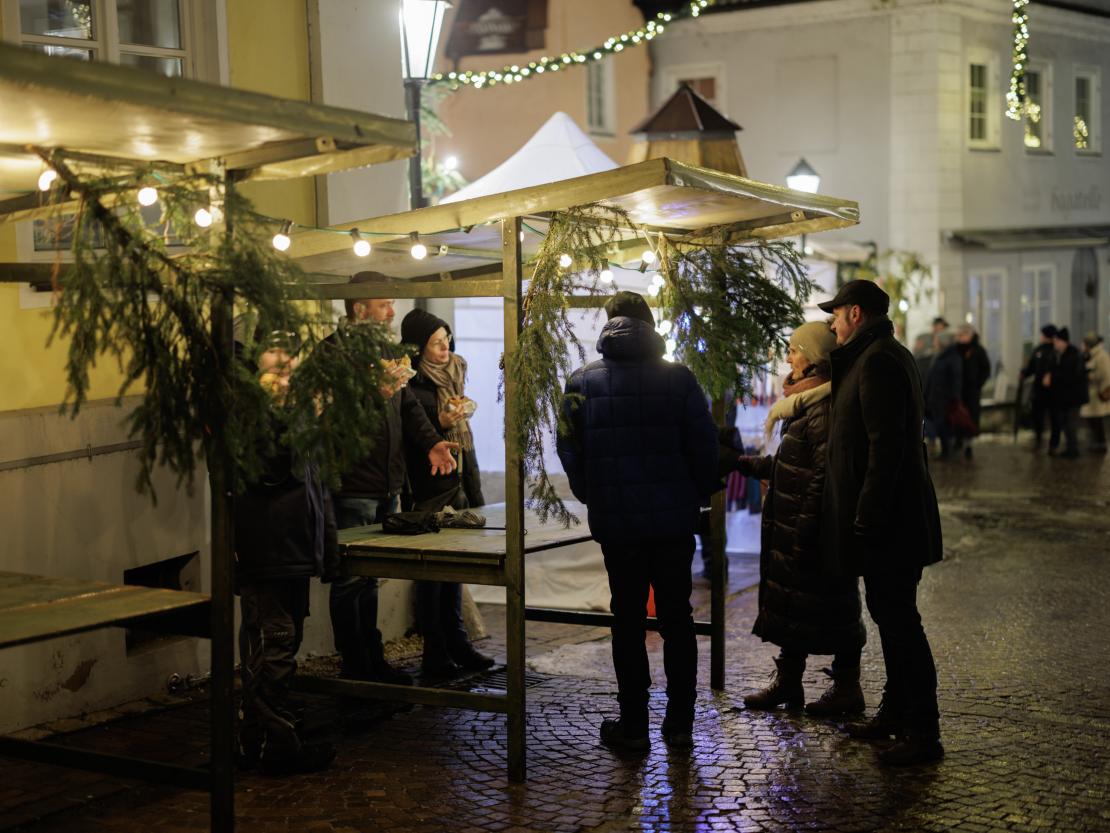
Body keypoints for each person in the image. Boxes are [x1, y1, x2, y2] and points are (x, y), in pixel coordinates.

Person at [557, 291, 718, 752]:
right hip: (673, 523)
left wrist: (596, 494)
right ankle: (680, 725)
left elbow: (568, 448)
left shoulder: (581, 381)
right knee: (677, 619)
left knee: (627, 620)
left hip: (618, 524)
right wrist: (694, 493)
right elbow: (704, 446)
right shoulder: (680, 379)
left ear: (609, 324)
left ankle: (633, 728)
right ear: (650, 324)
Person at [819, 279, 944, 767]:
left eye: (836, 314)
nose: (831, 323)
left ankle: (924, 730)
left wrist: (866, 518)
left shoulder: (879, 361)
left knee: (900, 624)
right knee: (892, 621)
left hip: (890, 524)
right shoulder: (878, 355)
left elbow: (886, 450)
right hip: (889, 521)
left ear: (855, 313)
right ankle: (895, 713)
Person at [328, 273, 459, 685]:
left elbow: (407, 408)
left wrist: (432, 443)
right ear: (358, 308)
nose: (391, 312)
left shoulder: (388, 352)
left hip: (388, 482)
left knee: (371, 580)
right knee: (351, 580)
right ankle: (356, 667)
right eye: (384, 304)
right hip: (352, 482)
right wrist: (374, 393)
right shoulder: (333, 353)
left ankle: (373, 660)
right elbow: (329, 417)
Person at [730, 322, 867, 717]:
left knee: (833, 606)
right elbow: (798, 465)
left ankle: (846, 688)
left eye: (794, 350)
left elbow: (824, 476)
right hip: (800, 525)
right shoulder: (807, 401)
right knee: (797, 605)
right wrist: (750, 465)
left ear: (813, 358)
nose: (788, 357)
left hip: (815, 529)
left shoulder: (822, 407)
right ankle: (789, 682)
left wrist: (806, 531)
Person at [235, 338, 338, 775]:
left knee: (284, 642)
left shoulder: (290, 407)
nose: (286, 361)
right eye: (275, 351)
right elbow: (273, 471)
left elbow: (314, 483)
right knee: (273, 644)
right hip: (268, 548)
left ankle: (271, 734)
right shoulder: (251, 411)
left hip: (294, 546)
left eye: (291, 353)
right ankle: (274, 744)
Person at [399, 307, 495, 679]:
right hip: (427, 486)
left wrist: (473, 487)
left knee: (453, 569)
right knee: (432, 574)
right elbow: (412, 434)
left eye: (447, 341)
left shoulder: (455, 373)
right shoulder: (411, 382)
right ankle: (435, 652)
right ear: (419, 348)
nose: (445, 349)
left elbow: (461, 442)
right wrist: (440, 423)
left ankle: (457, 642)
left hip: (457, 480)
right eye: (437, 343)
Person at [1046, 327, 1089, 458]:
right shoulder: (1061, 354)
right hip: (1065, 397)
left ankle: (1073, 449)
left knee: (1070, 423)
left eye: (1057, 341)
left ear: (1062, 341)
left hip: (1073, 397)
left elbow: (1069, 375)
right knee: (1065, 423)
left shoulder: (1072, 355)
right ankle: (1070, 448)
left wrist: (1052, 378)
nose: (1055, 344)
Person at [923, 331, 962, 460]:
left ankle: (947, 451)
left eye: (936, 340)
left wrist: (954, 397)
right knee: (938, 424)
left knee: (944, 425)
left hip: (944, 398)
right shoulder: (939, 356)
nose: (934, 342)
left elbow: (956, 379)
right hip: (936, 397)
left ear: (942, 342)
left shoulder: (952, 357)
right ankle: (945, 450)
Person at [955, 324, 991, 459]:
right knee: (958, 416)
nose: (959, 337)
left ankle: (968, 444)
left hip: (972, 391)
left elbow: (986, 369)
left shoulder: (978, 350)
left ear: (969, 335)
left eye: (962, 334)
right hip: (958, 390)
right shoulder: (956, 349)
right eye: (959, 335)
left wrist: (978, 384)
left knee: (970, 417)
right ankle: (958, 441)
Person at [1020, 325, 1058, 450]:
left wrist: (1050, 375)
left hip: (1053, 389)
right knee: (1037, 414)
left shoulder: (1056, 350)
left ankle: (1053, 442)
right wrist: (1024, 373)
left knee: (1054, 415)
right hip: (1039, 388)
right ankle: (1038, 437)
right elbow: (1032, 366)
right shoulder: (1038, 350)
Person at [1080, 332, 1110, 454]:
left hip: (1097, 393)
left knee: (1097, 420)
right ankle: (1095, 444)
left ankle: (1100, 445)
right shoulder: (1091, 355)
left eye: (1084, 344)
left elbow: (1104, 374)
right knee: (1092, 420)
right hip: (1091, 393)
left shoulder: (1101, 356)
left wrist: (1090, 376)